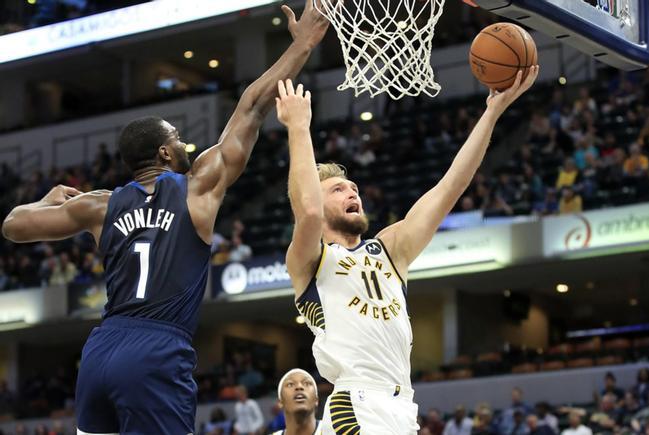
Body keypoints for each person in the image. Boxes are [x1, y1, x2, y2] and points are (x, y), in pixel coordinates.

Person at [1, 2, 330, 433]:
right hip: (157, 349)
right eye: (177, 139)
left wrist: (46, 201)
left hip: (100, 351)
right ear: (163, 152)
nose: (184, 145)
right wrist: (303, 43)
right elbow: (251, 106)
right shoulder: (198, 186)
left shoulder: (99, 205)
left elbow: (12, 225)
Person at [276, 64, 539, 433]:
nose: (352, 192)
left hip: (403, 407)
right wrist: (298, 127)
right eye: (338, 189)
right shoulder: (311, 261)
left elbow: (449, 187)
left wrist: (492, 112)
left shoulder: (388, 251)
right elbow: (306, 208)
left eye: (353, 188)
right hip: (357, 403)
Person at [270, 369, 320, 435]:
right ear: (280, 402)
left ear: (316, 400)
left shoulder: (334, 430)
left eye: (307, 383)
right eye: (290, 384)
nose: (299, 386)